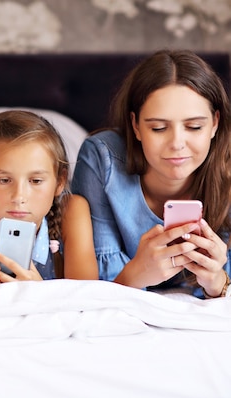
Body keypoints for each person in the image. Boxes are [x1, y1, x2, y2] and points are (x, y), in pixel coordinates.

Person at [71, 49, 231, 298]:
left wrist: (217, 282)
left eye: (194, 126)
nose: (177, 143)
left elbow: (224, 285)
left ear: (215, 123)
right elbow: (90, 293)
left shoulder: (227, 172)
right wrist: (135, 275)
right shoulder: (102, 158)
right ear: (135, 126)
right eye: (158, 128)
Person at [0, 110, 98, 284]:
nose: (19, 197)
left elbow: (85, 297)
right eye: (4, 180)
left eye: (35, 181)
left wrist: (38, 292)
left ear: (60, 181)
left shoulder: (71, 211)